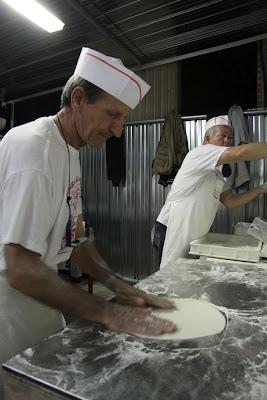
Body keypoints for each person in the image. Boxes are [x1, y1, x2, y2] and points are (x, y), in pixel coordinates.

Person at [0, 47, 177, 394]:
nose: (117, 129)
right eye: (112, 114)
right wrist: (109, 314)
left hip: (39, 295)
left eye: (123, 118)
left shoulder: (71, 149)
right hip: (8, 307)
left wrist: (118, 284)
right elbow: (19, 267)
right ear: (78, 98)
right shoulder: (34, 148)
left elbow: (76, 237)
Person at [153, 115, 267, 268]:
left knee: (183, 276)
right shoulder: (200, 153)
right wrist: (239, 150)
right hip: (172, 227)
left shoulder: (217, 173)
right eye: (222, 136)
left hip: (191, 234)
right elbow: (239, 153)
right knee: (170, 274)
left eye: (230, 138)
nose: (227, 140)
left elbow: (231, 202)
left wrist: (261, 188)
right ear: (207, 139)